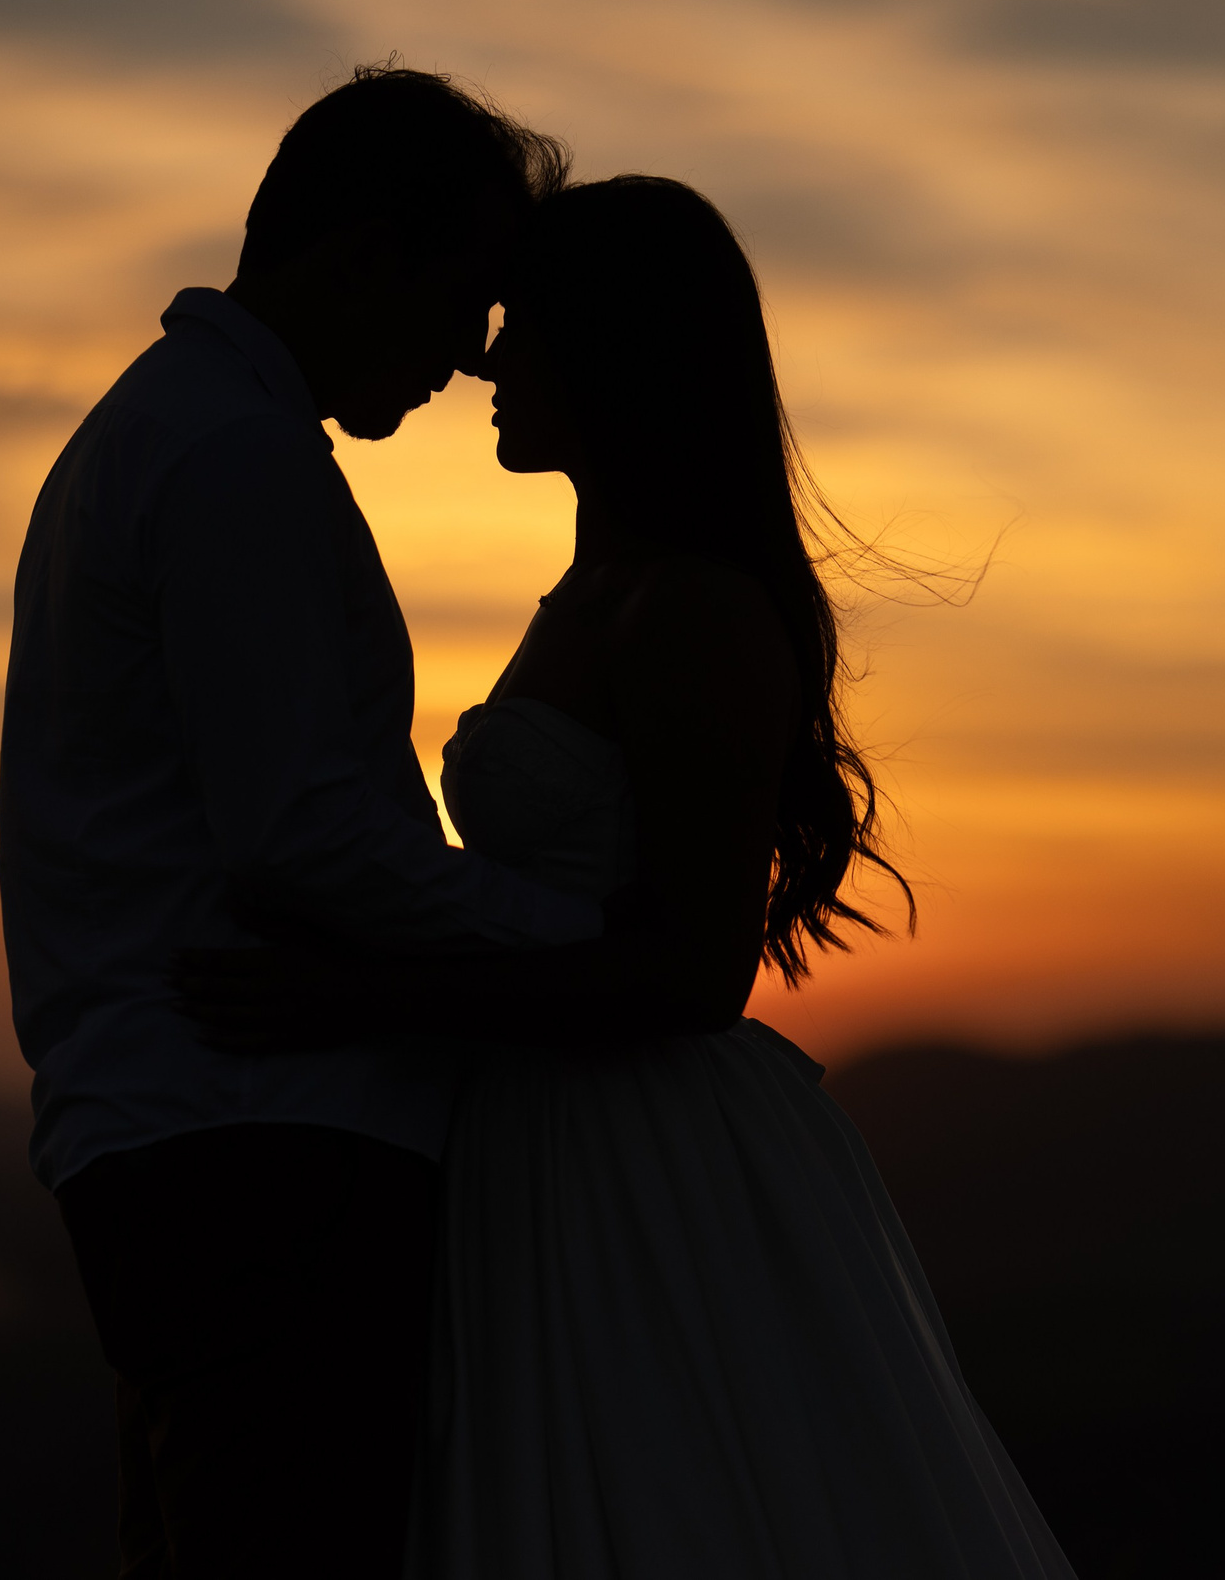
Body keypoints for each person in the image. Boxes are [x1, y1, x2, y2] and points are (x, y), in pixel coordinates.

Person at [180, 176, 1078, 1578]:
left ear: (614, 351)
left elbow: (691, 968)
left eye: (522, 324)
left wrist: (361, 994)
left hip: (639, 1161)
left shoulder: (695, 612)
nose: (485, 358)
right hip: (526, 1146)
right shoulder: (598, 592)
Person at [0, 66, 593, 1580]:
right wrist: (578, 936)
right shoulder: (234, 459)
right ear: (357, 258)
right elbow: (306, 833)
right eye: (465, 297)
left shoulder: (159, 434)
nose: (473, 356)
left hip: (190, 1139)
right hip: (257, 1148)